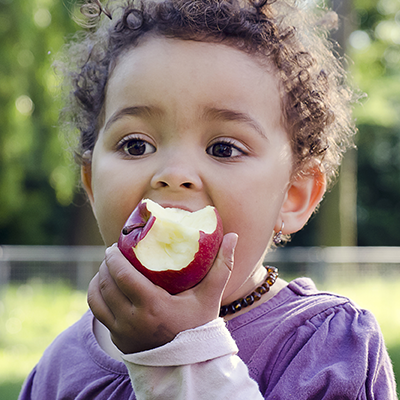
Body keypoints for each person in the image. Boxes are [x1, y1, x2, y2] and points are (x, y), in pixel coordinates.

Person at [19, 0, 398, 398]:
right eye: (135, 145)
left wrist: (181, 355)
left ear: (293, 196)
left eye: (223, 148)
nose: (174, 175)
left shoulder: (328, 347)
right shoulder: (61, 366)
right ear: (92, 183)